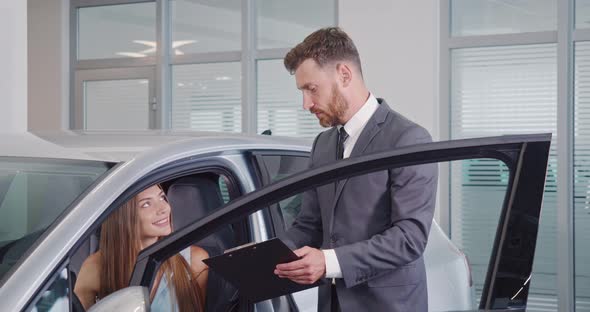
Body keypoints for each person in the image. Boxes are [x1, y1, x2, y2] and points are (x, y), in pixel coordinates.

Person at [274, 27, 438, 312]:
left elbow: (409, 238)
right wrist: (261, 255)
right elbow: (309, 225)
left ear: (344, 75)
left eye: (311, 89)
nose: (306, 104)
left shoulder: (409, 139)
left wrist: (329, 261)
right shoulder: (322, 144)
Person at [74, 185, 209, 312]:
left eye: (162, 197)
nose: (163, 208)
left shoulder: (195, 260)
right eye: (146, 204)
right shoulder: (96, 267)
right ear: (123, 217)